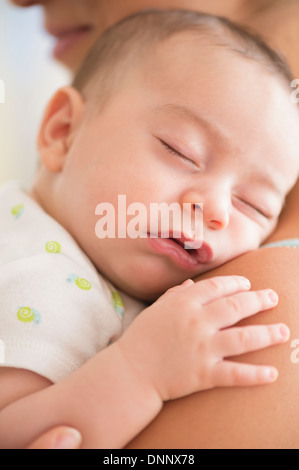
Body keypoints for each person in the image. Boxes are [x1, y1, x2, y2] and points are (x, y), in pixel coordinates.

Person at [7, 0, 299, 450]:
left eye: (254, 205)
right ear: (63, 131)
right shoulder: (36, 273)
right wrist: (137, 372)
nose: (218, 210)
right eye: (181, 152)